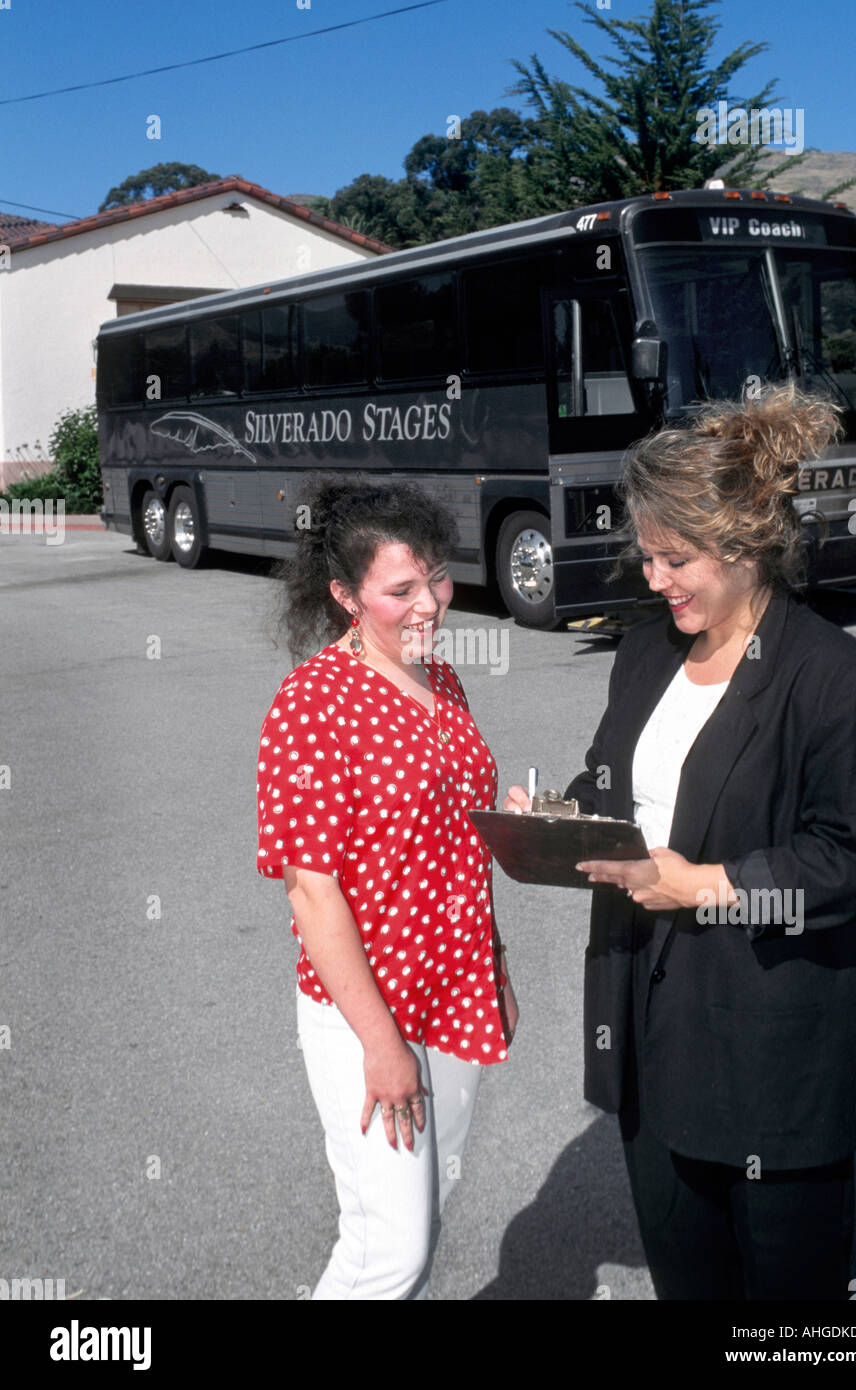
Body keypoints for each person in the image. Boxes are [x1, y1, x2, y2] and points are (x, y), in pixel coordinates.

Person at [505, 383, 856, 1300]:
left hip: (774, 1060)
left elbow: (849, 863)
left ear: (745, 544)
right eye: (647, 557)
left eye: (675, 559)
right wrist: (558, 819)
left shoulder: (842, 682)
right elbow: (617, 783)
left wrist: (708, 884)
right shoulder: (648, 652)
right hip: (652, 1036)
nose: (654, 580)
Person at [257, 476, 517, 1300]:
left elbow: (451, 839)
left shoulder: (441, 680)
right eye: (400, 589)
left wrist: (497, 962)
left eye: (437, 576)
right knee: (388, 1250)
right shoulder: (313, 704)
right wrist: (379, 1043)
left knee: (425, 1207)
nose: (430, 603)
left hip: (454, 986)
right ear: (344, 595)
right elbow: (312, 892)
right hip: (368, 1005)